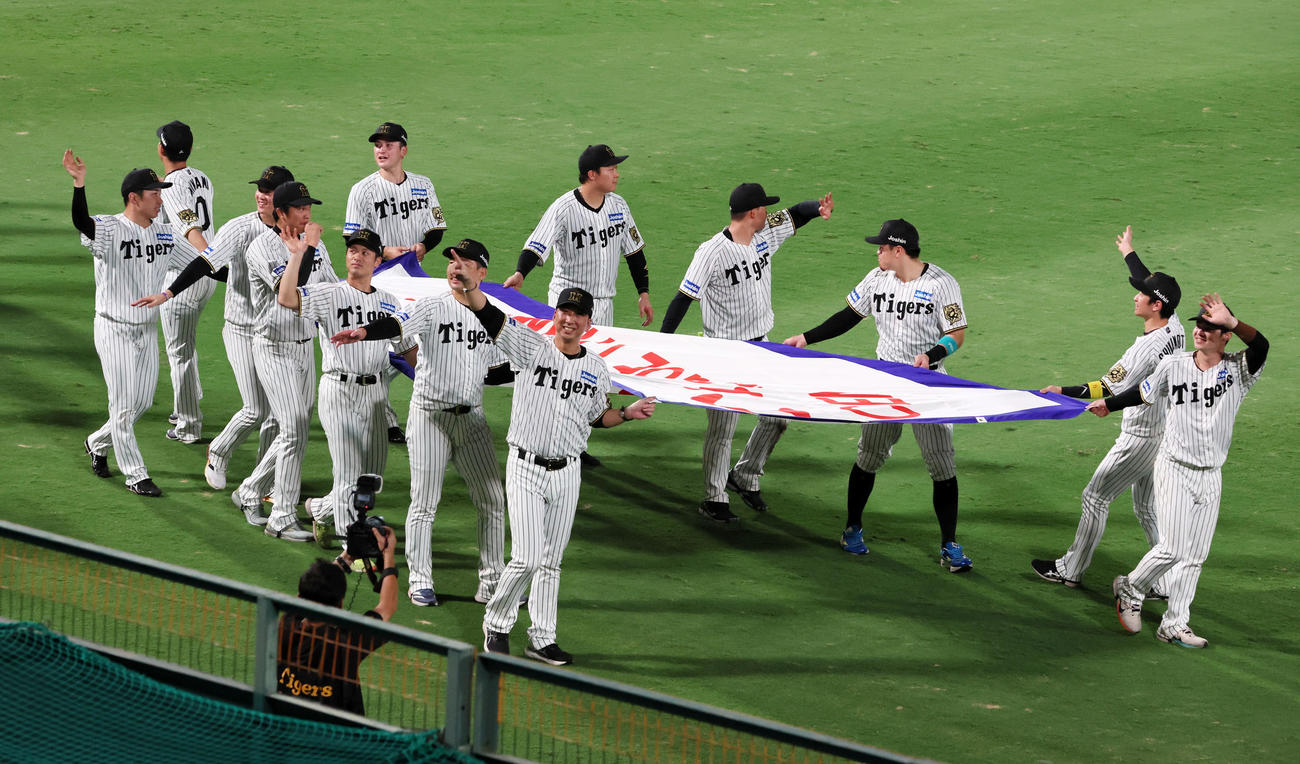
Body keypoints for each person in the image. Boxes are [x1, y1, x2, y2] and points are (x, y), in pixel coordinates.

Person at [456, 279, 657, 666]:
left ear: (588, 322)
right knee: (528, 557)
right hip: (526, 466)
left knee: (551, 561)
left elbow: (598, 417)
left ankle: (542, 637)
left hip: (568, 472)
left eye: (577, 314)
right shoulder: (532, 348)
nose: (569, 318)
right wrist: (471, 288)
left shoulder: (597, 369)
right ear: (555, 314)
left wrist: (628, 414)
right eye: (564, 310)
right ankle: (497, 622)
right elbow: (492, 317)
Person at [332, 239, 511, 608]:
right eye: (451, 260)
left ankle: (492, 581)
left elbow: (498, 369)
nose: (454, 267)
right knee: (425, 502)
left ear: (481, 272)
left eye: (464, 262)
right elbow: (398, 323)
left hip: (472, 420)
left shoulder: (491, 316)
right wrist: (366, 332)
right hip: (430, 416)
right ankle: (420, 580)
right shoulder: (433, 306)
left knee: (493, 500)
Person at [784, 218, 971, 572]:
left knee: (942, 465)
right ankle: (852, 528)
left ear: (898, 251)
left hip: (926, 385)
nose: (877, 252)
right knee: (869, 456)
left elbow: (957, 332)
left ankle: (949, 544)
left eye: (882, 247)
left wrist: (931, 356)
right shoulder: (877, 279)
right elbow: (848, 316)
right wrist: (806, 338)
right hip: (884, 382)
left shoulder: (942, 284)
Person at [1089, 294, 1268, 648]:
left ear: (1226, 334)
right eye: (1199, 324)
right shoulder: (1175, 364)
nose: (1200, 331)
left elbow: (1261, 346)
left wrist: (1233, 321)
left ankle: (1174, 624)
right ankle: (1132, 587)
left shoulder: (1238, 370)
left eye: (1211, 327)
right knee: (1171, 548)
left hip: (1211, 474)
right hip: (1174, 467)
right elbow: (1143, 392)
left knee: (1195, 557)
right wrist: (1108, 405)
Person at [660, 183, 833, 523]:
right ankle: (714, 498)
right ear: (752, 212)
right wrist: (663, 342)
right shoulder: (710, 251)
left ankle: (745, 474)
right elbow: (683, 298)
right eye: (764, 208)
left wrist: (817, 208)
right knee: (723, 428)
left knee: (777, 417)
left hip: (763, 345)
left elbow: (796, 214)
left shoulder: (764, 232)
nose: (768, 212)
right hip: (724, 352)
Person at [1032, 226, 1185, 590]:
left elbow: (1105, 386)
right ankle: (1165, 582)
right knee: (1147, 509)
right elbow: (1146, 279)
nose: (1135, 297)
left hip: (1140, 437)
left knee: (1095, 497)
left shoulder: (1144, 350)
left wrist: (1063, 390)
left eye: (1142, 296)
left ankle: (1071, 570)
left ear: (1156, 305)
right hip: (1165, 432)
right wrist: (1128, 252)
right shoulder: (1176, 326)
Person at [137, 166, 295, 517]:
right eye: (260, 188)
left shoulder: (294, 234)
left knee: (276, 414)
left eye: (269, 190)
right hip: (241, 328)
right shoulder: (241, 228)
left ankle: (263, 481)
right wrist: (168, 292)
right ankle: (220, 451)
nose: (261, 194)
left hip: (275, 334)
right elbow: (206, 261)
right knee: (256, 408)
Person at [505, 144, 652, 468]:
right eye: (611, 168)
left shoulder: (618, 205)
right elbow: (536, 244)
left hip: (604, 305)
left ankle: (575, 442)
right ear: (592, 174)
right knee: (561, 370)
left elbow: (634, 251)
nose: (617, 173)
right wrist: (520, 272)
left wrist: (643, 292)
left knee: (592, 374)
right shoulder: (564, 208)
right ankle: (548, 437)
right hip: (569, 307)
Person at [64, 150, 183, 497]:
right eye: (155, 193)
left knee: (142, 403)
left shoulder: (164, 235)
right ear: (134, 198)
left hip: (147, 330)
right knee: (123, 405)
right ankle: (136, 474)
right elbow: (82, 223)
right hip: (113, 328)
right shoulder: (110, 227)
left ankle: (96, 443)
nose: (161, 198)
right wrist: (79, 184)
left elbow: (203, 264)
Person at [278, 228, 403, 549]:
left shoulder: (390, 302)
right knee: (348, 475)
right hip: (339, 391)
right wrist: (297, 255)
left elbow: (409, 350)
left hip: (376, 395)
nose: (356, 255)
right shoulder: (328, 293)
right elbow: (287, 298)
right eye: (352, 250)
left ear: (377, 260)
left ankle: (320, 509)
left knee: (371, 480)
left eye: (364, 252)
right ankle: (352, 549)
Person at [238, 181, 338, 541]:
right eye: (299, 208)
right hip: (273, 347)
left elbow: (329, 286)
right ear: (281, 213)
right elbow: (291, 292)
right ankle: (281, 516)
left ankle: (250, 489)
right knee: (294, 428)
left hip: (303, 346)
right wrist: (306, 247)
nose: (308, 213)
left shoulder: (316, 243)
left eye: (309, 206)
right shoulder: (260, 248)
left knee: (295, 428)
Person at [344, 121, 448, 445]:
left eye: (389, 144)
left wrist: (422, 247)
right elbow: (351, 235)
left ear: (403, 150)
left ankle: (405, 409)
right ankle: (410, 415)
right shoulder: (363, 190)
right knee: (406, 349)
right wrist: (385, 250)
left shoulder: (422, 185)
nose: (381, 149)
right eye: (377, 144)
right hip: (379, 283)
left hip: (413, 280)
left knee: (405, 349)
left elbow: (436, 227)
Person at [277, 523, 398, 716]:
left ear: (299, 598)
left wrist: (348, 555)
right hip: (341, 738)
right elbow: (387, 607)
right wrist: (388, 556)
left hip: (285, 733)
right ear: (340, 605)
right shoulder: (347, 642)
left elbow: (315, 585)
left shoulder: (286, 626)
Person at [154, 121, 216, 444]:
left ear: (161, 150)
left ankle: (188, 425)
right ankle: (185, 402)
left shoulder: (171, 185)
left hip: (187, 275)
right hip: (205, 278)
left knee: (179, 352)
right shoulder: (201, 177)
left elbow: (190, 227)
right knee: (185, 345)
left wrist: (209, 259)